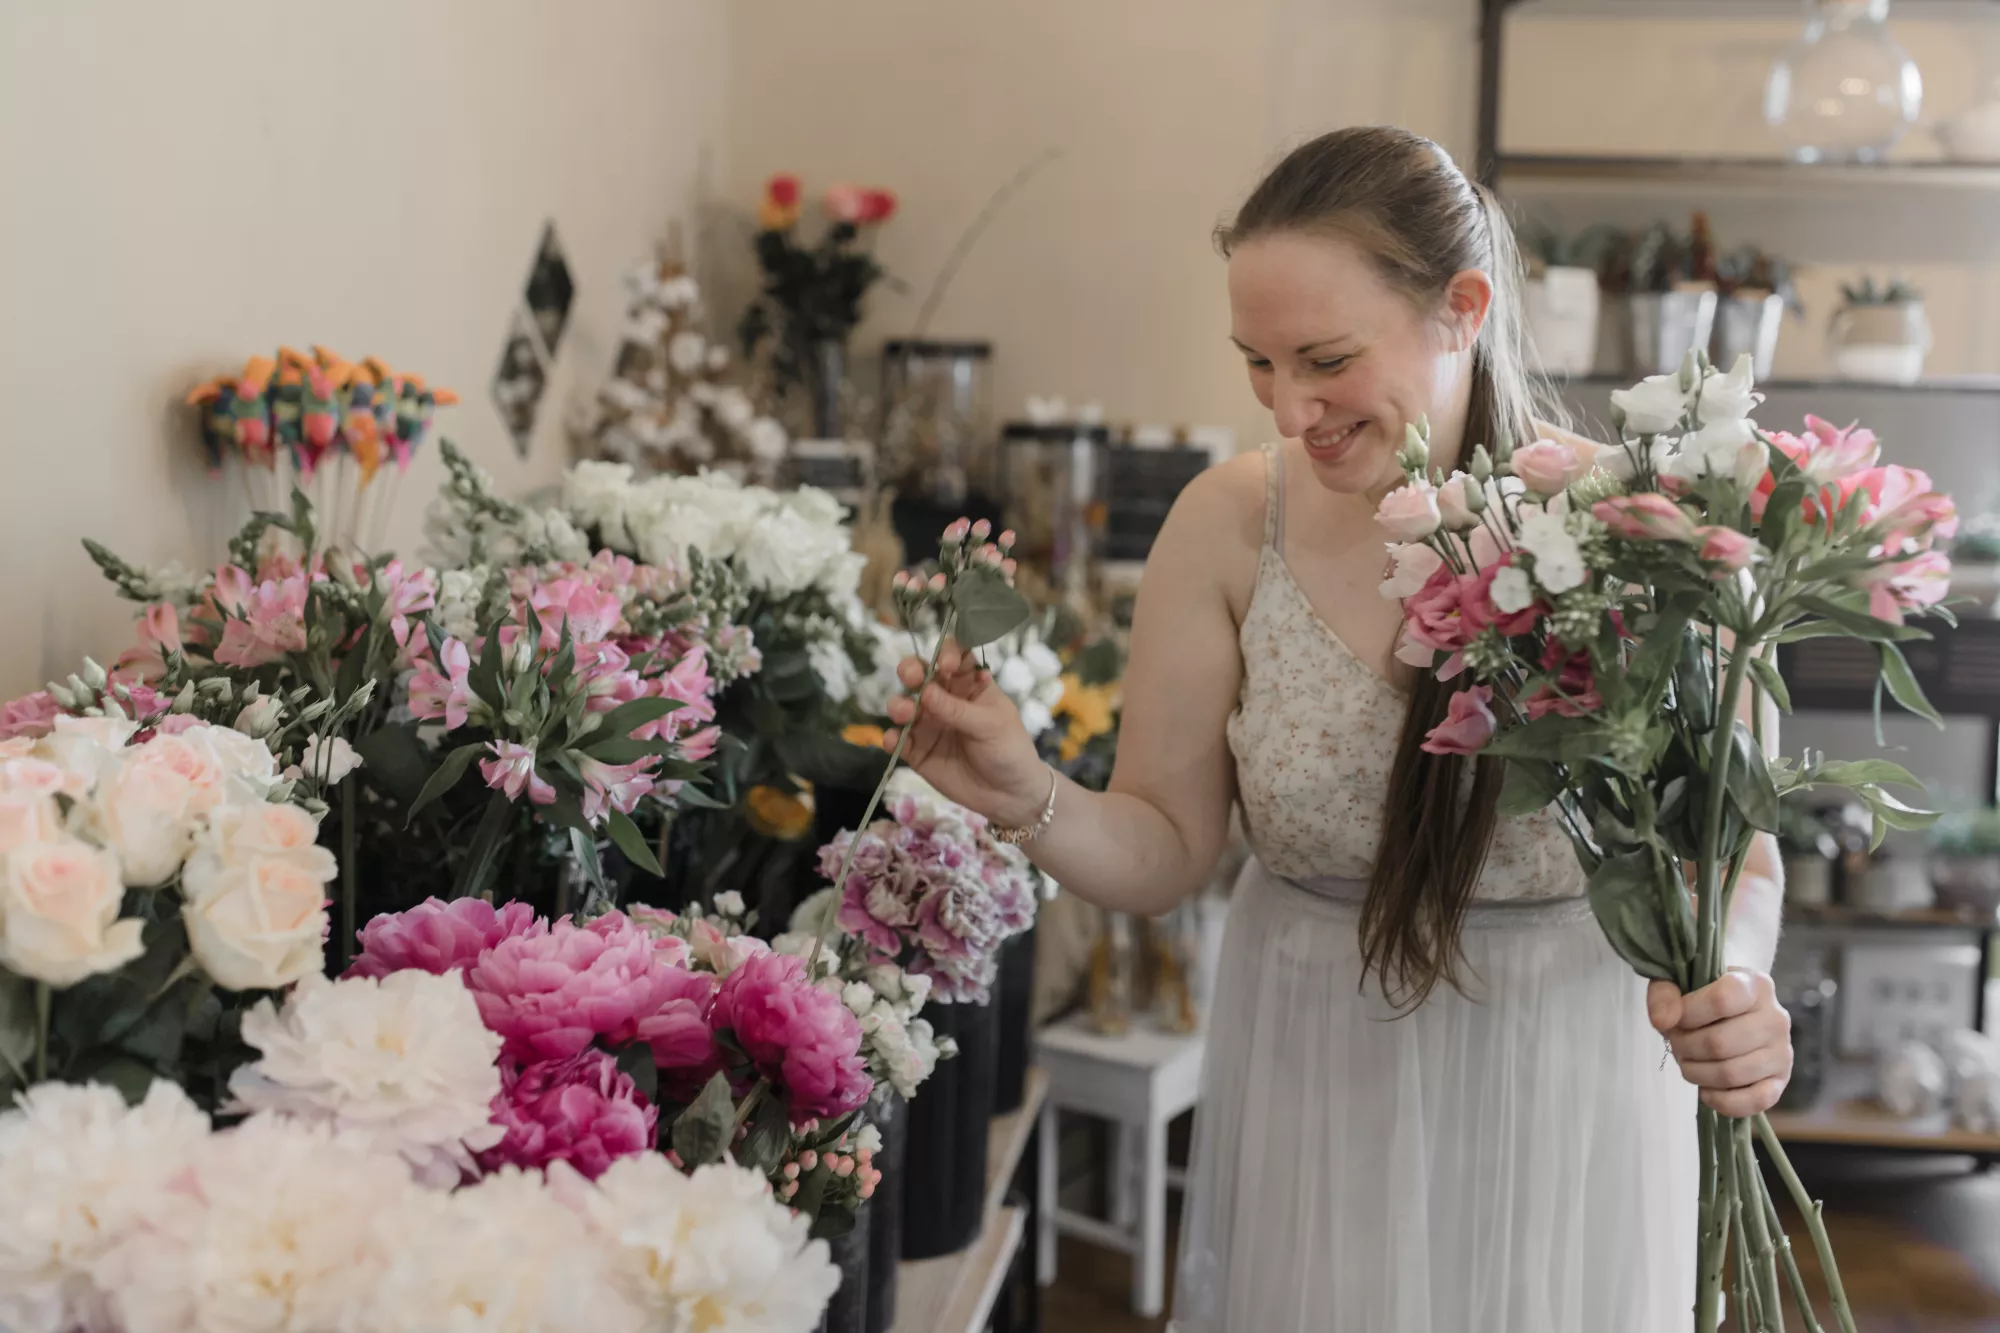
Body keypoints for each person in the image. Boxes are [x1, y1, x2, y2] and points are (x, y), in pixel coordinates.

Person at [882, 126, 1793, 1331]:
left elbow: (1735, 854)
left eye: (1324, 358)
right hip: (1317, 1077)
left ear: (1461, 309)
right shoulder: (1225, 524)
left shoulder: (1641, 530)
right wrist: (1024, 794)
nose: (1289, 406)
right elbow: (1162, 848)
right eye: (1257, 363)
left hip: (1568, 1082)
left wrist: (1736, 981)